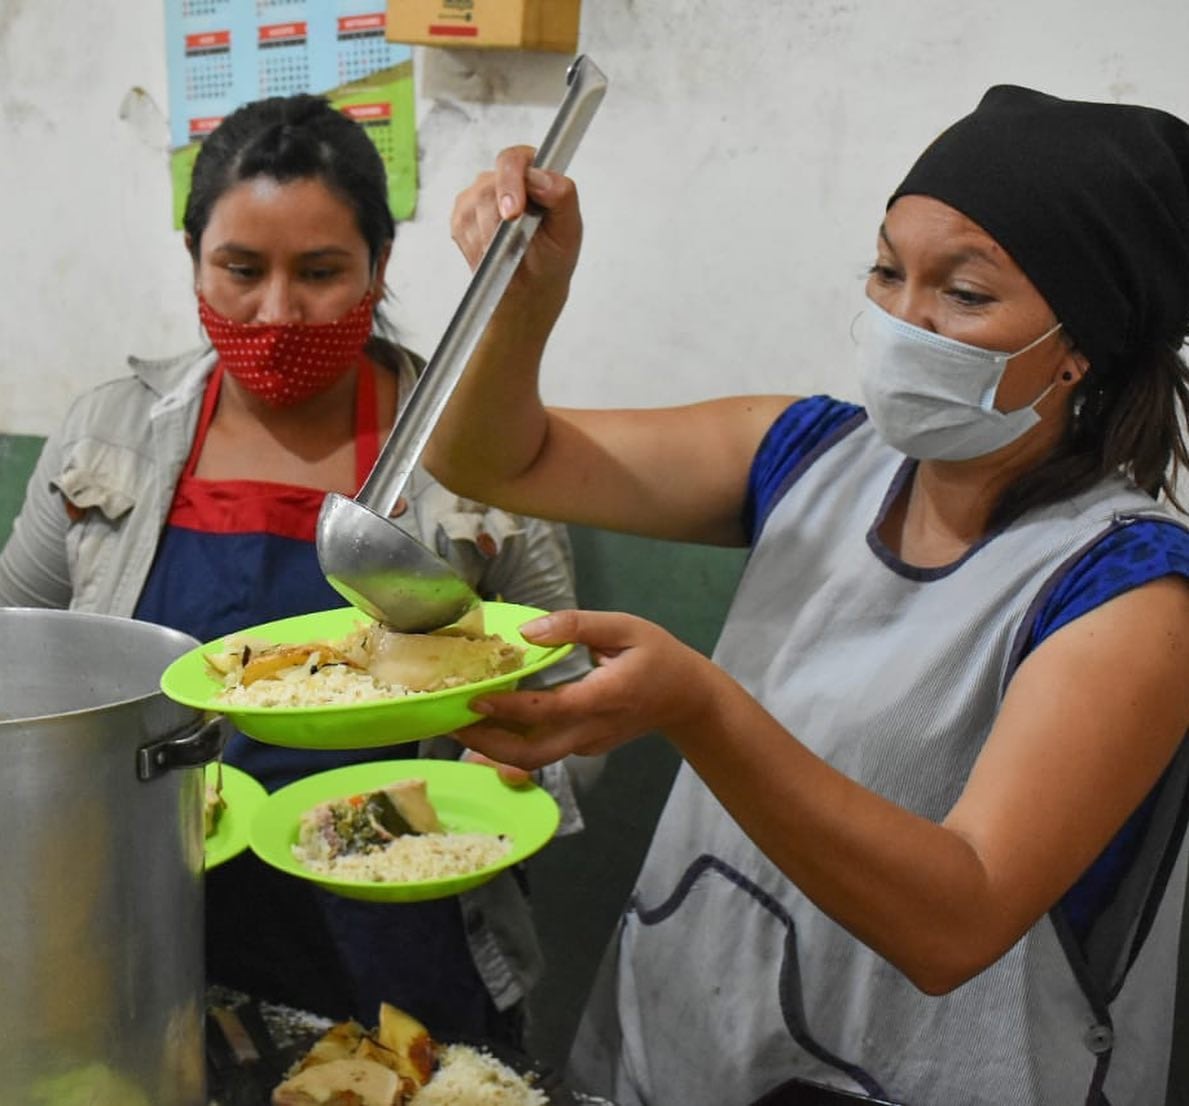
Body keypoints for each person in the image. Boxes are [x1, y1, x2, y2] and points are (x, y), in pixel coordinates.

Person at [425, 85, 1189, 1104]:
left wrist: (695, 706)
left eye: (963, 294)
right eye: (885, 269)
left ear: (1081, 344)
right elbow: (489, 457)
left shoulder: (1128, 591)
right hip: (691, 1041)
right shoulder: (811, 454)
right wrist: (520, 303)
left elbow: (957, 918)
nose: (902, 319)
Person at [0, 93, 594, 1043]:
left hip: (405, 903)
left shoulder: (472, 449)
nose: (277, 312)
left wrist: (518, 767)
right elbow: (18, 651)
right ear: (193, 259)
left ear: (378, 267)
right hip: (155, 904)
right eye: (240, 269)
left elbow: (569, 673)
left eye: (319, 272)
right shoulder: (106, 436)